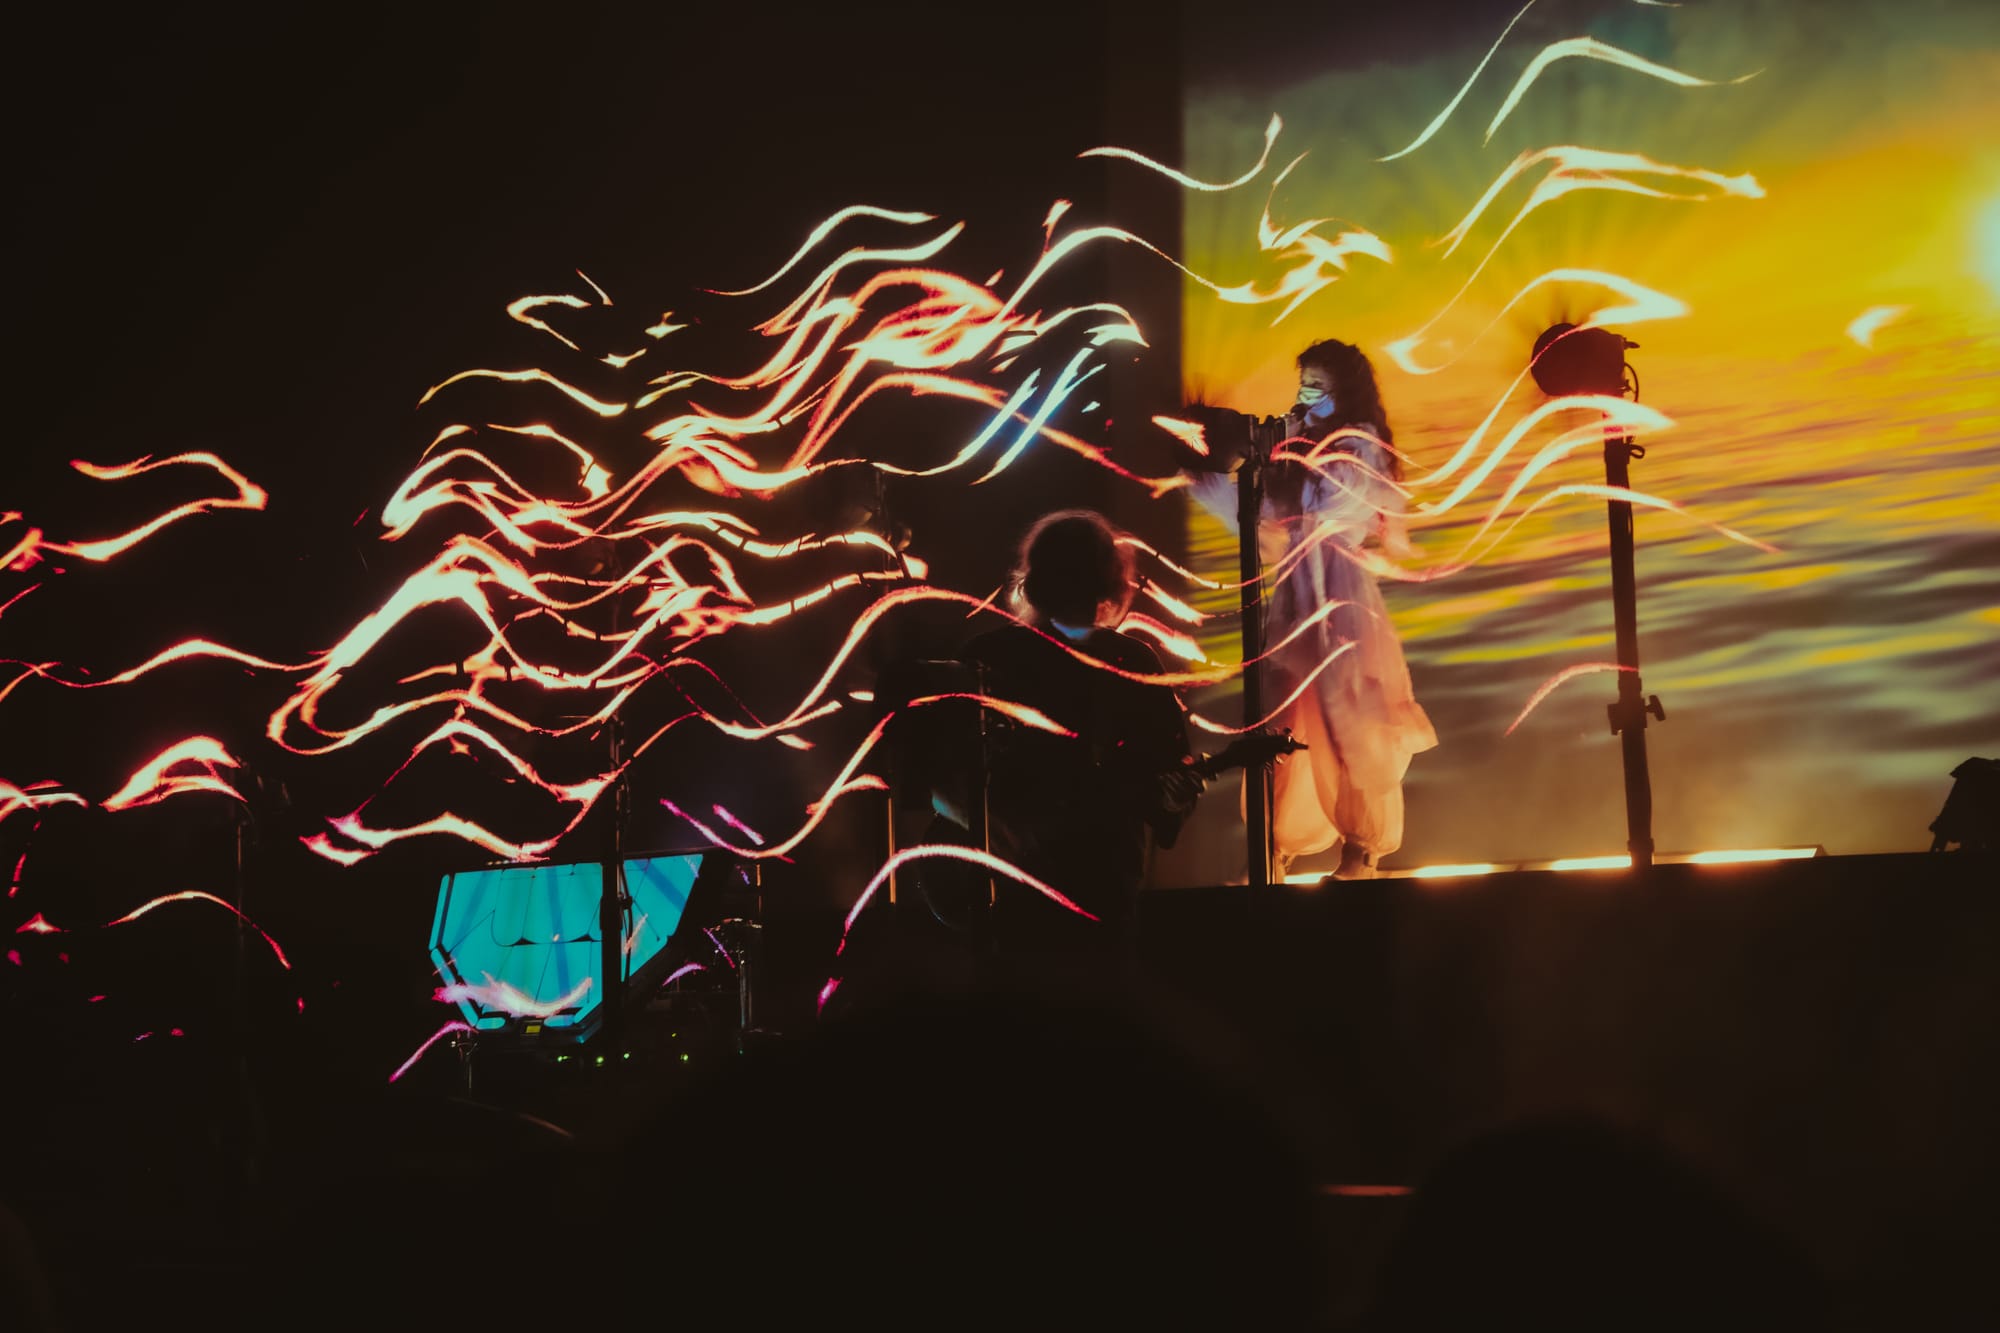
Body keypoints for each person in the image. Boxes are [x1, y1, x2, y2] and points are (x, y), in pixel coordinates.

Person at [1185, 339, 1436, 879]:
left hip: (1338, 591)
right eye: (1304, 383)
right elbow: (1262, 517)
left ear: (1344, 389)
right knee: (1283, 714)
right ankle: (1273, 847)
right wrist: (1206, 468)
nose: (1306, 395)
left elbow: (1334, 505)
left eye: (1318, 385)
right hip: (1297, 588)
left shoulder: (1357, 442)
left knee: (1346, 712)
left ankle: (1360, 849)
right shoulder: (1296, 440)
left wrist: (1293, 459)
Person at [925, 510, 1205, 955]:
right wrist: (1000, 830)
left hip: (1081, 887)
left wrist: (1170, 793)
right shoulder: (1130, 663)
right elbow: (939, 777)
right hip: (1068, 891)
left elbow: (936, 776)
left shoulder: (991, 655)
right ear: (1112, 580)